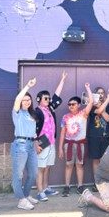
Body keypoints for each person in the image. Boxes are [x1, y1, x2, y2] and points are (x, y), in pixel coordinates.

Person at [34, 71, 67, 201]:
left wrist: (63, 80)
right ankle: (40, 191)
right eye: (45, 98)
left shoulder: (50, 109)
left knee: (47, 167)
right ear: (39, 100)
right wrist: (36, 143)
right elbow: (33, 130)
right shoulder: (37, 112)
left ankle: (46, 188)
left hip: (51, 141)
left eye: (48, 98)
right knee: (41, 167)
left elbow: (56, 95)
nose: (48, 100)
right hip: (42, 141)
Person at [58, 83, 93, 196]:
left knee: (79, 165)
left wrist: (87, 88)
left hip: (80, 144)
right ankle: (67, 187)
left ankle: (80, 186)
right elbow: (62, 133)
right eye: (69, 104)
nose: (71, 106)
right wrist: (60, 148)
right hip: (68, 144)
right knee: (68, 165)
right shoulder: (65, 117)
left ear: (78, 105)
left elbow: (91, 102)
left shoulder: (83, 114)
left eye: (73, 104)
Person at [11, 77, 39, 210]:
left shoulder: (31, 114)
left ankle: (26, 195)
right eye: (24, 100)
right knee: (18, 174)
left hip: (30, 145)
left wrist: (34, 137)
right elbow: (17, 99)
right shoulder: (17, 113)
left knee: (33, 173)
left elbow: (32, 131)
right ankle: (21, 199)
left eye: (29, 100)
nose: (27, 102)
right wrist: (28, 86)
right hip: (20, 145)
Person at [87, 87, 109, 192]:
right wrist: (108, 99)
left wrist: (105, 104)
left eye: (103, 93)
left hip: (105, 136)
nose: (101, 95)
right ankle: (97, 182)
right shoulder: (92, 106)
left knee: (105, 161)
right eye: (99, 93)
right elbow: (99, 110)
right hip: (94, 136)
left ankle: (104, 182)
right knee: (95, 160)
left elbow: (107, 118)